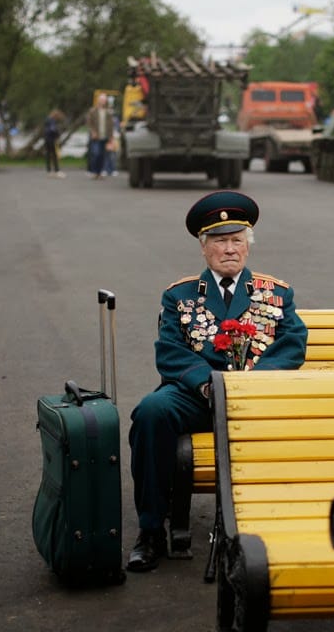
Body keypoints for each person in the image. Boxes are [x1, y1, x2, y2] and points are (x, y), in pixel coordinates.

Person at [126, 191, 308, 573]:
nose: (230, 249)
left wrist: (254, 383)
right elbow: (171, 350)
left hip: (258, 398)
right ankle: (151, 531)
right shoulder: (180, 295)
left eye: (237, 241)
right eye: (220, 241)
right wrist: (205, 384)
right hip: (199, 395)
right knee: (151, 413)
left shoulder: (276, 294)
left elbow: (292, 344)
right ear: (204, 247)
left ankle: (289, 527)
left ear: (248, 246)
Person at [86, 92, 113, 179]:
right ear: (98, 101)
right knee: (96, 153)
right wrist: (93, 132)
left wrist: (111, 137)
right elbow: (89, 123)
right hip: (96, 137)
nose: (103, 102)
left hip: (105, 136)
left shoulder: (108, 112)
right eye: (101, 100)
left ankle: (99, 172)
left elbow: (111, 125)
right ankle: (94, 172)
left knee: (102, 155)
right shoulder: (93, 111)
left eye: (104, 100)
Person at [43, 109, 65, 178]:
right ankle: (56, 170)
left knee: (48, 155)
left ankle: (49, 171)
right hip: (51, 139)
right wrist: (57, 136)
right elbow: (53, 130)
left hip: (47, 139)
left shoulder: (47, 119)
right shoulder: (52, 121)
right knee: (54, 155)